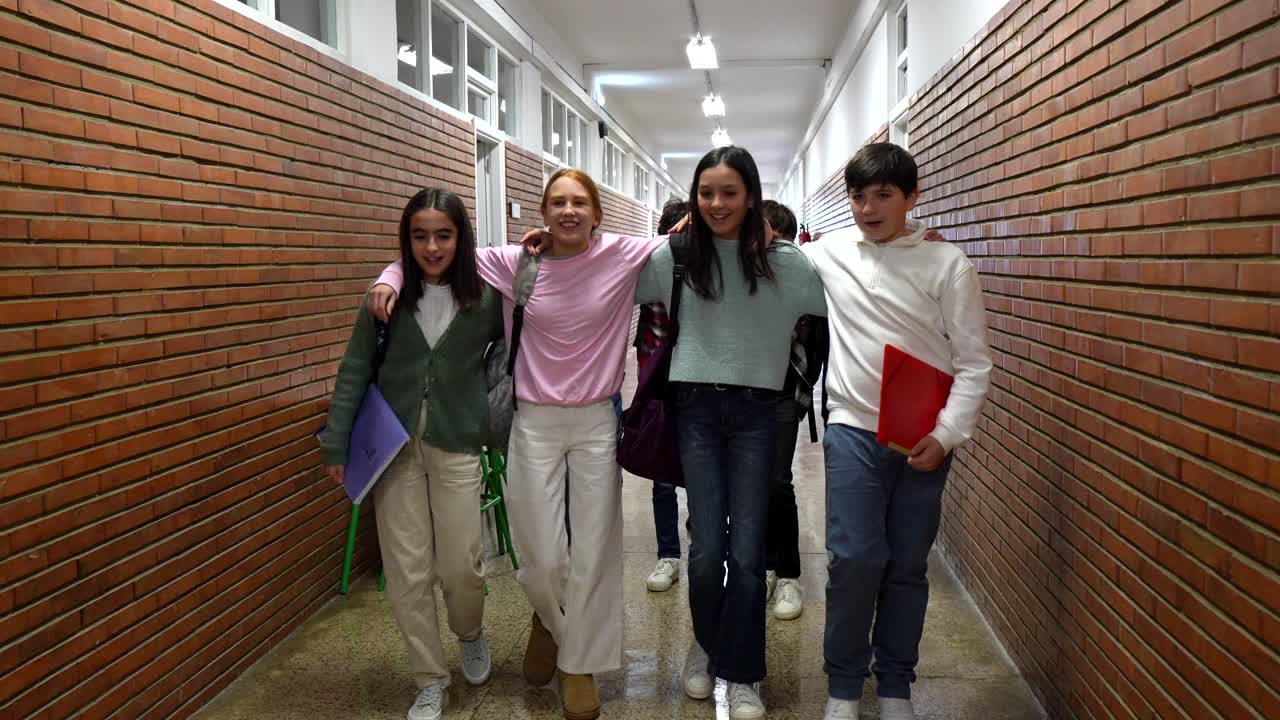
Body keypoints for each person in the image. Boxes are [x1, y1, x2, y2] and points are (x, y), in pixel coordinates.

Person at [364, 169, 666, 720]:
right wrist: (387, 275)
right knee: (540, 556)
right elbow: (436, 256)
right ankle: (550, 619)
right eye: (558, 203)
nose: (569, 211)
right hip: (532, 422)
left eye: (579, 202)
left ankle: (578, 665)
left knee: (595, 550)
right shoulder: (515, 262)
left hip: (597, 421)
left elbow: (694, 242)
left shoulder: (625, 255)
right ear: (543, 213)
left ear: (597, 213)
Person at [633, 147, 827, 719]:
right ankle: (707, 646)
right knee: (705, 550)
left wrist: (913, 242)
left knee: (745, 551)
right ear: (694, 198)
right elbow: (603, 264)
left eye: (729, 193)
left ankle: (741, 675)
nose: (717, 203)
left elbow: (848, 276)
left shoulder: (785, 264)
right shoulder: (674, 258)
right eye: (706, 193)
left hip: (757, 415)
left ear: (752, 197)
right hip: (693, 409)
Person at [805, 143, 992, 720]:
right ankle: (843, 685)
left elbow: (974, 363)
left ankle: (895, 686)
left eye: (884, 195)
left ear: (912, 198)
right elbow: (759, 245)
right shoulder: (831, 252)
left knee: (907, 564)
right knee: (855, 559)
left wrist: (948, 434)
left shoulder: (948, 264)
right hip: (853, 432)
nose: (869, 208)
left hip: (922, 440)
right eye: (858, 196)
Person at [320, 189, 501, 720]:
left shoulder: (487, 299)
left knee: (462, 563)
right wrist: (336, 442)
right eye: (420, 236)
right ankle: (429, 676)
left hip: (458, 438)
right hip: (393, 447)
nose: (431, 246)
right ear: (407, 241)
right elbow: (355, 368)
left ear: (461, 238)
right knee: (406, 568)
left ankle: (469, 631)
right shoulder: (386, 299)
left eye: (443, 235)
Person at [757, 199, 824, 621]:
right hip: (742, 392)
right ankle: (761, 565)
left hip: (784, 393)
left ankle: (788, 574)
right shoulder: (743, 275)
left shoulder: (804, 275)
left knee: (777, 481)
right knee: (752, 484)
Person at [639, 198, 691, 593]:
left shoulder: (711, 276)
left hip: (698, 391)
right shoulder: (651, 273)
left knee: (701, 476)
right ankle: (668, 555)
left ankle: (703, 543)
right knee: (661, 480)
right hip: (659, 390)